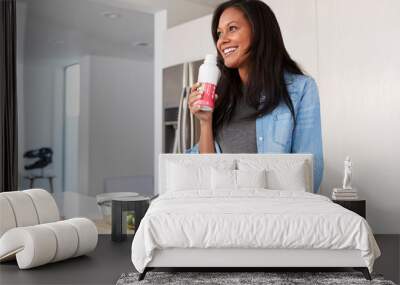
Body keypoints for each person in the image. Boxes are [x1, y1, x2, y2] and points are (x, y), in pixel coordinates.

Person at [186, 0, 323, 192]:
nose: (222, 40)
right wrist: (205, 122)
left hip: (274, 214)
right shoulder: (220, 96)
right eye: (219, 33)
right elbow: (207, 173)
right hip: (224, 211)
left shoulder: (300, 89)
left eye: (232, 28)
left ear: (259, 32)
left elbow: (310, 174)